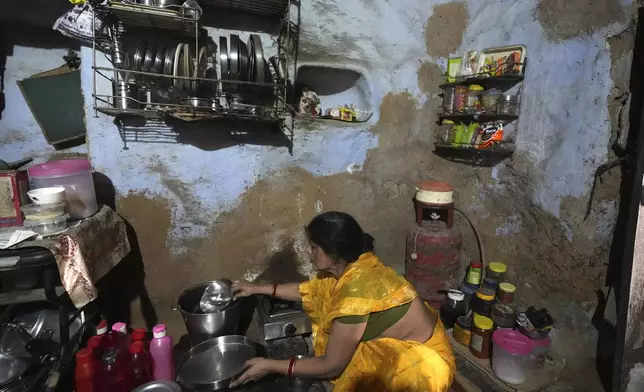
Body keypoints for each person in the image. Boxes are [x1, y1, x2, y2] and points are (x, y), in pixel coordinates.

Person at [229, 211, 455, 391]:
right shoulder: (350, 267)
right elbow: (309, 291)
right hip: (401, 343)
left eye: (314, 247)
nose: (309, 253)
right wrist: (255, 288)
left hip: (423, 364)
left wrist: (270, 366)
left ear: (334, 253)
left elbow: (331, 366)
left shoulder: (355, 292)